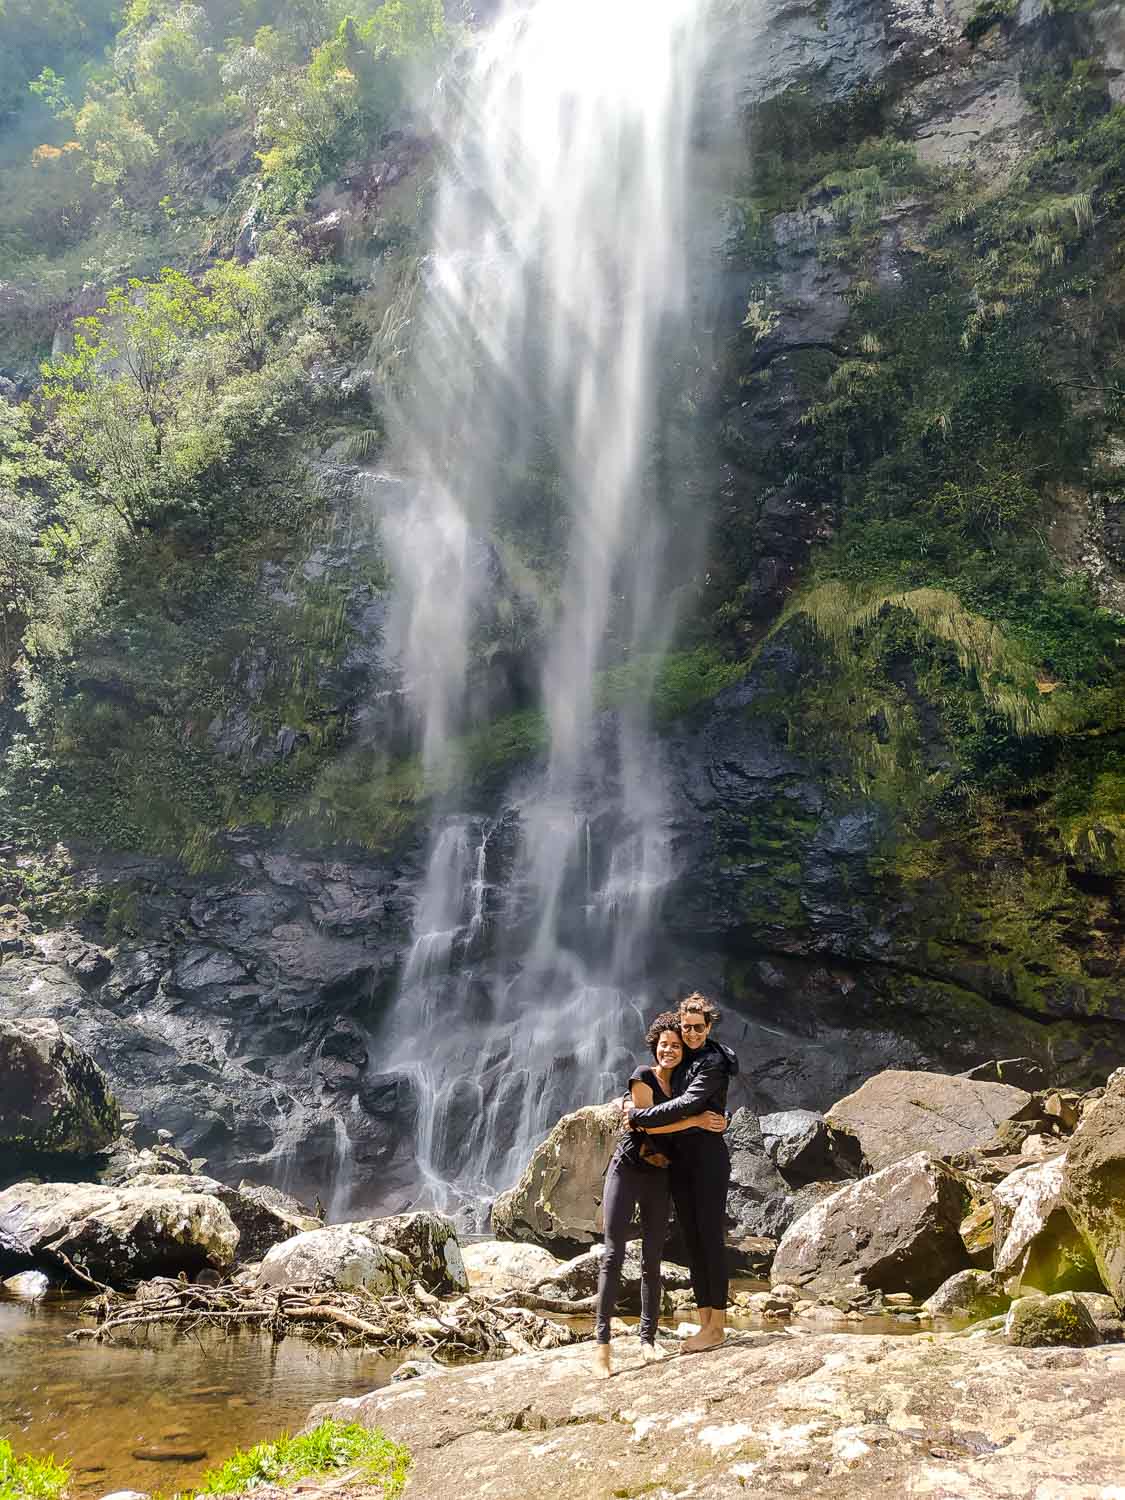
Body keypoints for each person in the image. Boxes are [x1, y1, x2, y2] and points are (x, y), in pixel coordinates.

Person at [593, 1011, 727, 1379]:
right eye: (664, 1044)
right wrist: (696, 1121)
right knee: (613, 1254)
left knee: (653, 1260)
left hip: (660, 1174)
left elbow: (682, 1109)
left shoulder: (684, 1084)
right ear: (655, 1046)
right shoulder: (642, 1075)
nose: (670, 1049)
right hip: (628, 1168)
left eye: (676, 1045)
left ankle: (647, 1340)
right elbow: (646, 1116)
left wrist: (715, 1117)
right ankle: (602, 1346)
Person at [627, 992, 738, 1353]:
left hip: (707, 1159)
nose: (690, 1034)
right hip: (681, 1160)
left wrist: (639, 1118)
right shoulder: (684, 1056)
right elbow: (657, 1087)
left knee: (709, 1238)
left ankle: (717, 1326)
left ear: (709, 1027)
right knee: (692, 1240)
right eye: (686, 1028)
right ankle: (706, 1322)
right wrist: (626, 1101)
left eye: (697, 1028)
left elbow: (691, 1103)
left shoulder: (715, 1061)